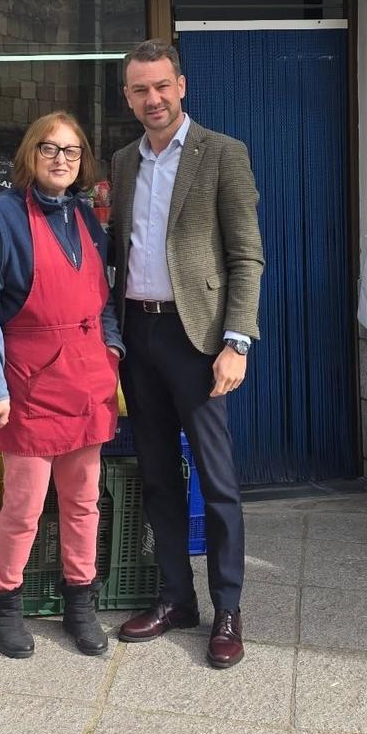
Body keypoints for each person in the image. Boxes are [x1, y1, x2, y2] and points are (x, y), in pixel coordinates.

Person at [110, 39, 263, 669]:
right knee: (156, 478)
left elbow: (245, 255)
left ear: (183, 85)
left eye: (162, 86)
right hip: (137, 338)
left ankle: (227, 607)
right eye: (140, 90)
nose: (154, 99)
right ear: (129, 97)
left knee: (217, 481)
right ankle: (178, 597)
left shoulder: (222, 154)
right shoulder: (121, 163)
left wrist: (237, 341)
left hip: (197, 341)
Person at [0, 111, 123, 660]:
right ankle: (3, 601)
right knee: (25, 505)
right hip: (27, 382)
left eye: (72, 151)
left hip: (86, 378)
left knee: (83, 502)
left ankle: (81, 602)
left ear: (82, 163)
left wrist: (112, 347)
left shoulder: (87, 218)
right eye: (50, 149)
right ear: (31, 156)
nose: (61, 159)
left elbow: (103, 299)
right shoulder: (3, 217)